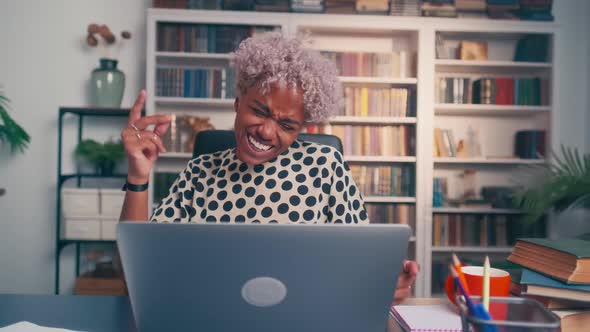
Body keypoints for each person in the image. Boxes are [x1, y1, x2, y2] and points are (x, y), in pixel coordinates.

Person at [119, 32, 418, 304]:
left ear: (301, 128)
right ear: (238, 102)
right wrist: (137, 176)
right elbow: (138, 272)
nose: (267, 132)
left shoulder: (326, 166)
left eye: (286, 125)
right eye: (259, 111)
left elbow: (360, 265)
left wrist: (384, 284)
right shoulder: (200, 171)